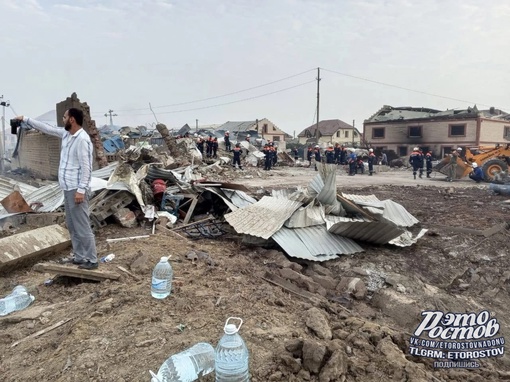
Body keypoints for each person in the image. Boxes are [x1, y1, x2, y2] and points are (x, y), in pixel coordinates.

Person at [16, 110, 98, 269]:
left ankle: (92, 260)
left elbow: (87, 168)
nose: (63, 120)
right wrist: (26, 118)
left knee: (82, 225)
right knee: (72, 225)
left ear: (72, 120)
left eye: (65, 117)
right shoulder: (67, 134)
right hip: (67, 189)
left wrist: (81, 190)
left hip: (76, 190)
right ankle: (80, 256)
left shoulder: (82, 140)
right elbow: (47, 128)